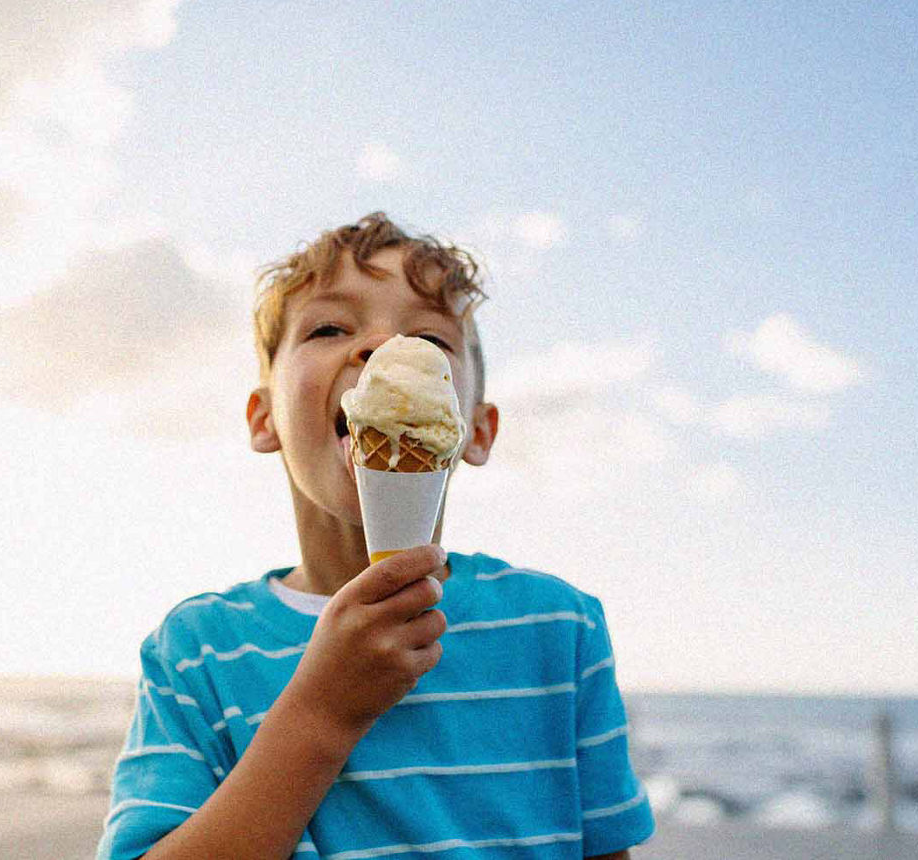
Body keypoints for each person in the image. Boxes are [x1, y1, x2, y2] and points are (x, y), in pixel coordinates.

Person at [97, 213, 655, 859]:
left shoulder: (560, 630)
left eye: (428, 339)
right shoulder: (195, 653)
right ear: (263, 417)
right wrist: (322, 714)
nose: (383, 347)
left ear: (476, 429)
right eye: (330, 328)